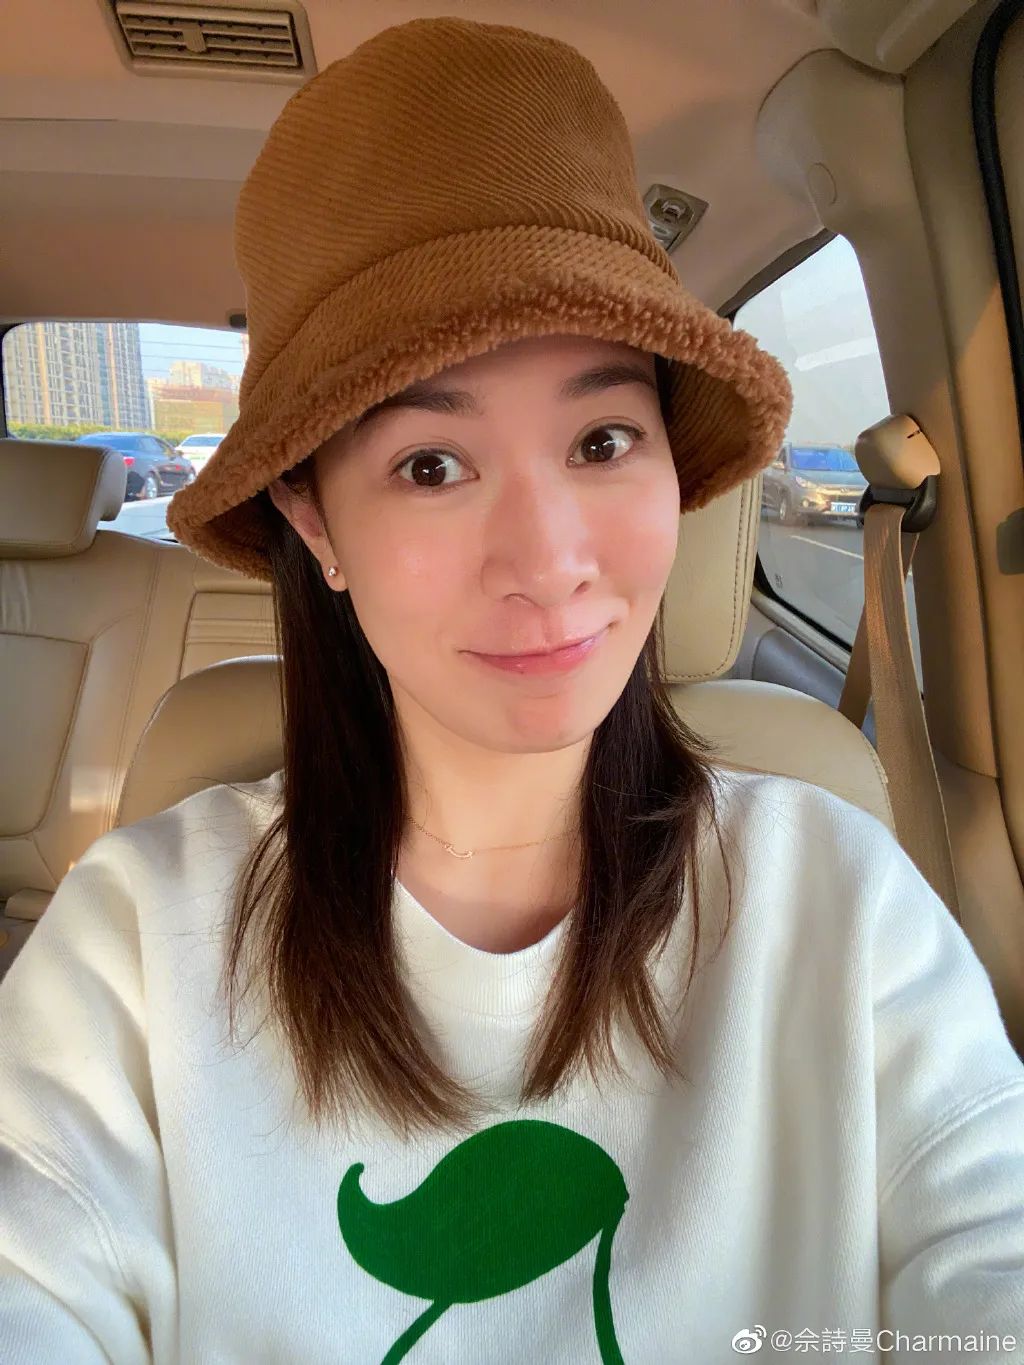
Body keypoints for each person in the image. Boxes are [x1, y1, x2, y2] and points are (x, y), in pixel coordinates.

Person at [2, 15, 1023, 1365]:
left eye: (602, 439)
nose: (548, 563)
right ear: (315, 523)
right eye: (431, 465)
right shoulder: (134, 953)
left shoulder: (845, 910)